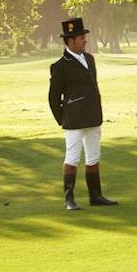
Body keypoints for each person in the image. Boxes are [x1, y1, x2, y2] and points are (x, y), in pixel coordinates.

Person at [48, 17, 118, 210]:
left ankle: (95, 196)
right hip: (74, 120)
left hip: (93, 117)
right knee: (72, 158)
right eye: (81, 38)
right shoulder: (60, 66)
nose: (85, 40)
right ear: (71, 41)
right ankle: (69, 199)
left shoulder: (89, 59)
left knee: (93, 157)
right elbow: (54, 98)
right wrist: (62, 119)